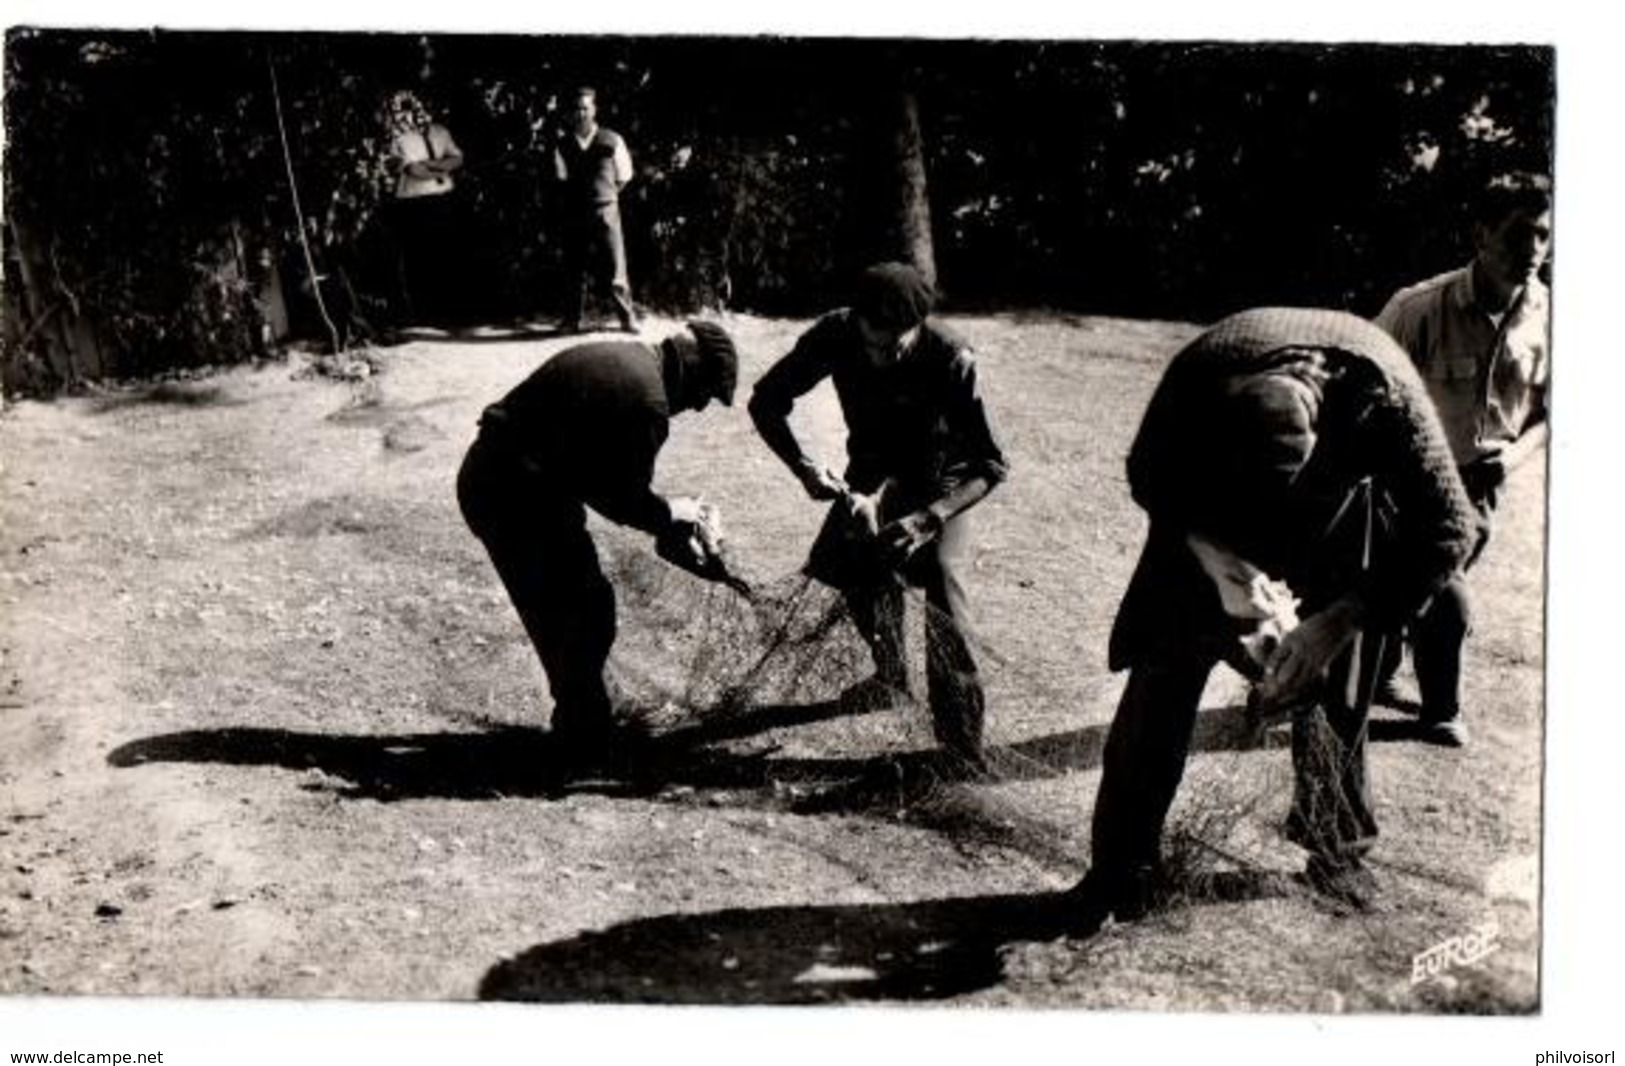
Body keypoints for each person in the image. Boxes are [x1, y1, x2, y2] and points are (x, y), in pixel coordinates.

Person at [1066, 308, 1480, 930]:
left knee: (1335, 683)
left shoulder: (1389, 399)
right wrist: (1220, 563)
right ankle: (1119, 869)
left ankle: (1336, 850)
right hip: (1209, 525)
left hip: (1332, 522)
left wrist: (1336, 622)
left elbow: (1451, 532)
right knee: (1162, 671)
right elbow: (1146, 475)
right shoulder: (1200, 374)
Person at [748, 262, 1009, 774]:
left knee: (946, 611)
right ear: (856, 323)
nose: (880, 357)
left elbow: (991, 465)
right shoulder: (836, 332)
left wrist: (928, 518)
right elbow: (766, 401)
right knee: (850, 571)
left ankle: (960, 749)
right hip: (869, 469)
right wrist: (802, 467)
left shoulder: (953, 357)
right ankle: (890, 678)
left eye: (895, 348)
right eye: (871, 346)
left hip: (940, 481)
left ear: (916, 328)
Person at [457, 322, 742, 761]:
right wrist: (672, 513)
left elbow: (599, 478)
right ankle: (581, 736)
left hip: (511, 480)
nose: (700, 407)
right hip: (511, 492)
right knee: (581, 608)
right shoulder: (649, 401)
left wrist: (667, 519)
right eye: (705, 394)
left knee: (573, 606)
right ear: (690, 369)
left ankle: (585, 717)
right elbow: (622, 498)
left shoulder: (629, 358)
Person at [1373, 171, 1552, 747]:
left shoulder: (1551, 317)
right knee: (1446, 594)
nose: (1532, 251)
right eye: (1518, 233)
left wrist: (1516, 457)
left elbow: (1556, 411)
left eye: (1544, 236)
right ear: (1482, 234)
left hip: (1486, 485)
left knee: (1413, 589)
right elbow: (1362, 388)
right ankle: (1441, 710)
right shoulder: (1419, 308)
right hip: (1413, 481)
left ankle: (1378, 672)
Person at [552, 87, 637, 334]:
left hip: (606, 212)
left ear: (594, 110)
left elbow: (625, 176)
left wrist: (606, 196)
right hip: (575, 214)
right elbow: (562, 178)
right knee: (573, 268)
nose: (581, 114)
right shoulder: (563, 145)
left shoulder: (612, 139)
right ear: (571, 113)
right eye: (577, 109)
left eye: (585, 108)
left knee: (615, 268)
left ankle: (627, 318)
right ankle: (571, 320)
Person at [381, 90, 465, 327]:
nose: (419, 114)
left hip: (443, 200)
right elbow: (412, 172)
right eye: (413, 110)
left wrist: (431, 165)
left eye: (423, 109)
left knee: (444, 257)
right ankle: (422, 314)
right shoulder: (400, 138)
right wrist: (442, 167)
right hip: (415, 205)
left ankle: (445, 312)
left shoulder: (441, 132)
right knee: (420, 259)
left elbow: (458, 158)